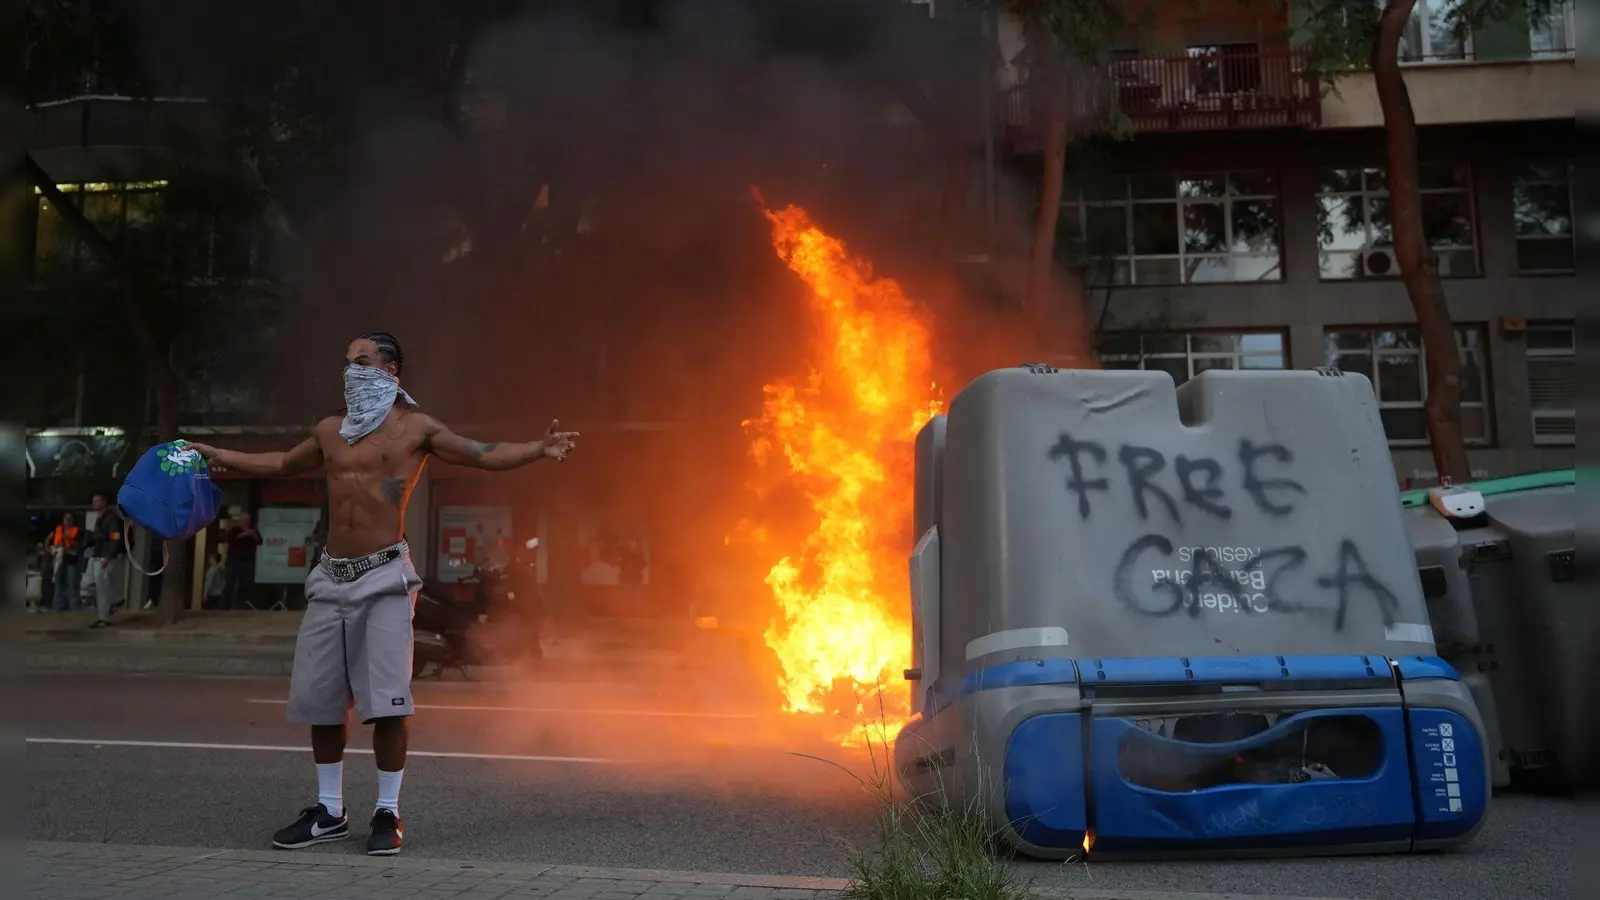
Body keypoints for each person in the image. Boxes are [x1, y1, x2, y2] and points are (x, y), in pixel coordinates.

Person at [189, 332, 577, 857]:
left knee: (388, 705)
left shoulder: (417, 428)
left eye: (364, 361)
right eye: (348, 362)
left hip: (384, 576)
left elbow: (480, 453)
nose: (352, 369)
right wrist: (217, 455)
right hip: (330, 578)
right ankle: (329, 811)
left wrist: (538, 448)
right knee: (322, 703)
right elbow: (281, 464)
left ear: (392, 370)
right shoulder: (330, 429)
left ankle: (387, 812)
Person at [85, 493, 125, 628]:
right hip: (95, 554)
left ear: (104, 502)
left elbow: (115, 538)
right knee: (87, 585)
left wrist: (108, 557)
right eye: (93, 501)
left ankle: (104, 617)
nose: (94, 503)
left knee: (102, 587)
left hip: (104, 555)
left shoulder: (111, 518)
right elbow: (90, 539)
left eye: (97, 501)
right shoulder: (94, 518)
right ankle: (116, 600)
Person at [222, 512, 263, 609]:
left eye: (248, 521)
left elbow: (260, 541)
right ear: (240, 521)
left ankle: (240, 605)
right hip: (234, 560)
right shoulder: (234, 530)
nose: (246, 522)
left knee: (245, 584)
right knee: (230, 583)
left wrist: (253, 535)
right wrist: (243, 534)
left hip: (247, 561)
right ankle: (225, 605)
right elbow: (229, 539)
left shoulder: (253, 531)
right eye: (244, 520)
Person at [49, 512, 83, 612]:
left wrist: (68, 539)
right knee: (58, 585)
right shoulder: (58, 530)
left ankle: (75, 608)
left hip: (71, 561)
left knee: (72, 585)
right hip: (58, 560)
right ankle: (57, 608)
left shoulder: (77, 531)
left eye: (70, 519)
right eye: (66, 518)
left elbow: (78, 546)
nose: (67, 521)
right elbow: (51, 545)